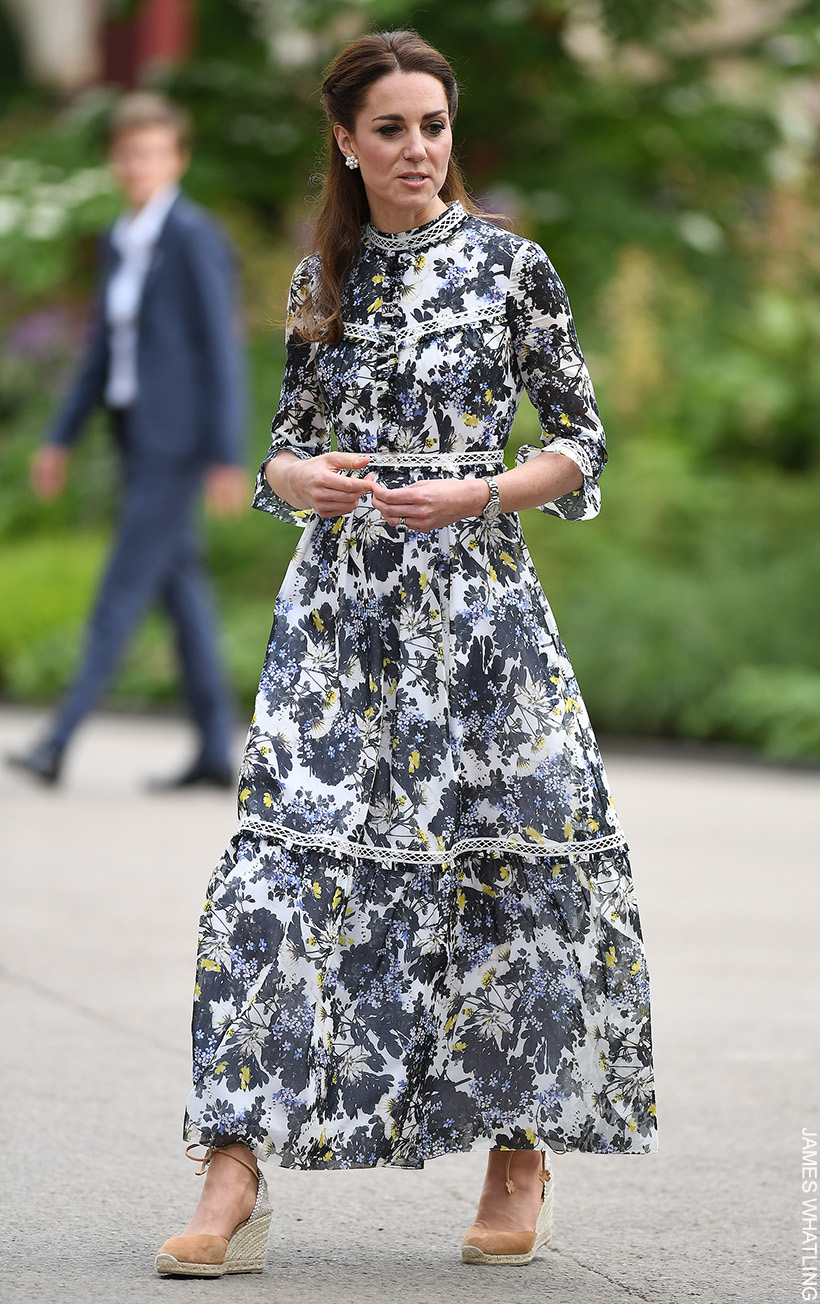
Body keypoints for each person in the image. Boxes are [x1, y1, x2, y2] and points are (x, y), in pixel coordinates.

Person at [155, 29, 658, 1278]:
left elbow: (581, 443)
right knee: (273, 885)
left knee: (515, 872)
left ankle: (517, 1147)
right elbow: (282, 445)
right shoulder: (320, 275)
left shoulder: (510, 268)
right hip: (340, 625)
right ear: (345, 139)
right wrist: (295, 476)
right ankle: (231, 1165)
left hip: (481, 621)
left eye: (432, 126)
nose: (417, 150)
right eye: (390, 128)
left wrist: (485, 489)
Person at [6, 92, 246, 791]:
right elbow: (98, 356)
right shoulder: (120, 239)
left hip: (176, 446)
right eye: (127, 152)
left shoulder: (195, 236)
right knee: (183, 595)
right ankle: (212, 751)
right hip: (134, 438)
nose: (136, 164)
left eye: (151, 152)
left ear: (178, 158)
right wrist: (59, 439)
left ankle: (56, 740)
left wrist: (227, 453)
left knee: (121, 590)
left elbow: (221, 351)